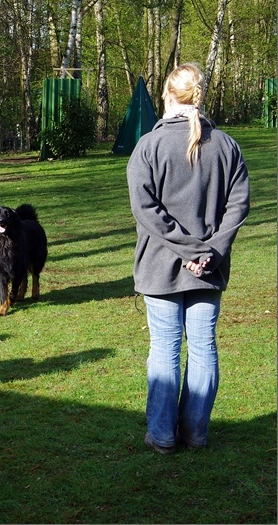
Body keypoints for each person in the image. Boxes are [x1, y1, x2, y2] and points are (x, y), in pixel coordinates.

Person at [126, 64, 250, 454]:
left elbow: (145, 210)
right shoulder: (227, 146)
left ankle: (163, 435)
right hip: (207, 268)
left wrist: (197, 252)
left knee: (165, 349)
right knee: (202, 347)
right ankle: (195, 433)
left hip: (162, 265)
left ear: (167, 94)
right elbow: (239, 205)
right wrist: (208, 252)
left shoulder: (149, 145)